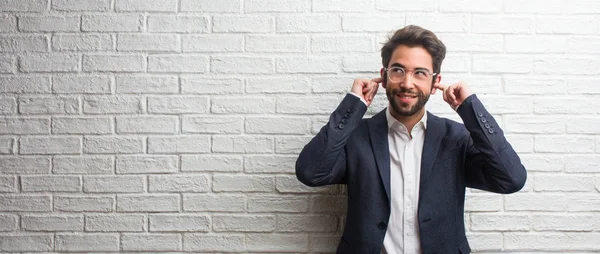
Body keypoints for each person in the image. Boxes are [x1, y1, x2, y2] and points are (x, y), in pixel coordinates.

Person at [295, 25, 527, 254]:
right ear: (384, 77)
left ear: (435, 82)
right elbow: (310, 172)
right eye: (398, 70)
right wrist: (353, 105)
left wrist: (469, 109)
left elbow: (511, 179)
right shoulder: (356, 137)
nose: (407, 83)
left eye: (420, 73)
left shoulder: (456, 138)